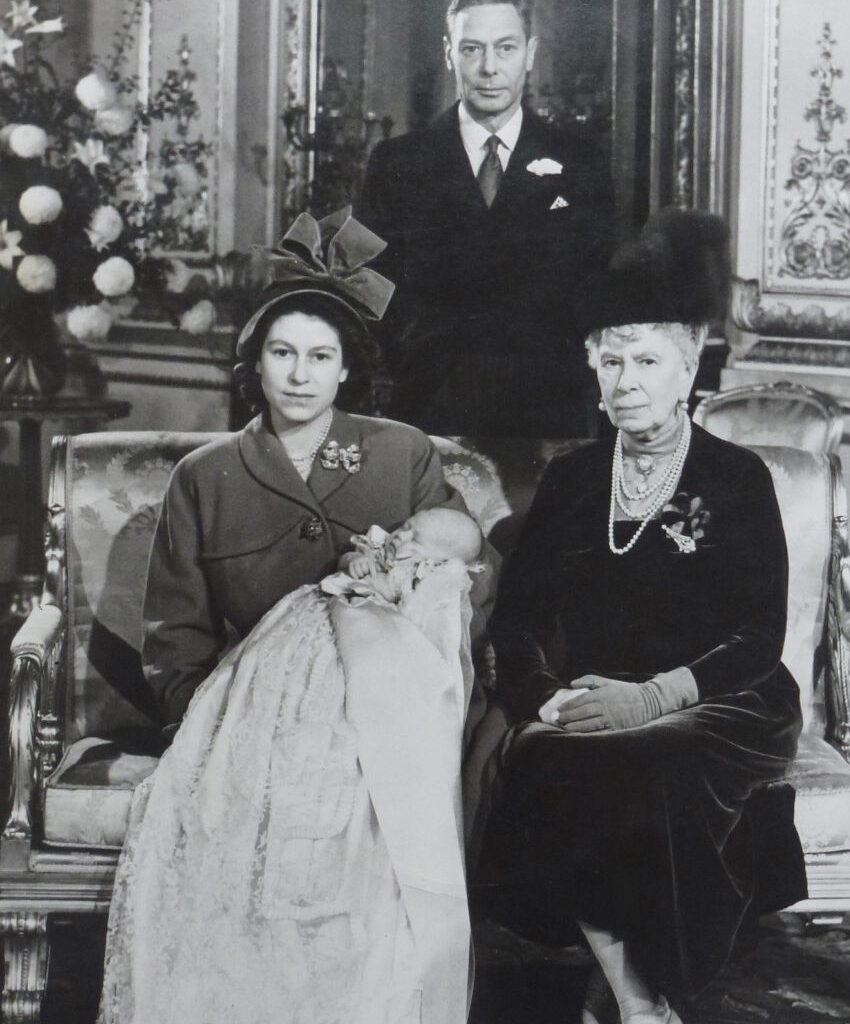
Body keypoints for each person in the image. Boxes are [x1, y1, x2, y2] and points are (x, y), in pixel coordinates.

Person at [473, 209, 804, 1024]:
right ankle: (635, 998)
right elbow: (516, 619)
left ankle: (629, 995)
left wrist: (654, 698)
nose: (626, 382)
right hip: (590, 695)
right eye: (610, 360)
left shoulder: (738, 478)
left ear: (689, 365)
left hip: (726, 701)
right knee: (550, 756)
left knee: (651, 764)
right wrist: (543, 698)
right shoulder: (573, 479)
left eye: (647, 360)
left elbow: (760, 637)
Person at [104, 499, 487, 1024]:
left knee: (339, 782)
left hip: (355, 697)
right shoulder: (205, 478)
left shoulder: (437, 581)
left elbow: (423, 652)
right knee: (250, 726)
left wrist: (395, 595)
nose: (397, 538)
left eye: (414, 539)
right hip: (287, 664)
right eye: (404, 529)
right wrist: (355, 572)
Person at [141, 208, 490, 726]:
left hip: (394, 709)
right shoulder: (203, 476)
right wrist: (211, 728)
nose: (300, 375)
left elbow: (468, 588)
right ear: (256, 360)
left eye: (321, 357)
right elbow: (175, 640)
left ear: (346, 367)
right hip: (257, 713)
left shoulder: (403, 452)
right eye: (283, 353)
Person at [356, 0, 615, 438]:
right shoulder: (398, 162)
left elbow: (595, 293)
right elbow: (371, 291)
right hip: (431, 408)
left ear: (530, 54)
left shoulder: (581, 164)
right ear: (448, 52)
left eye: (506, 48)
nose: (489, 68)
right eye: (472, 49)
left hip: (548, 416)